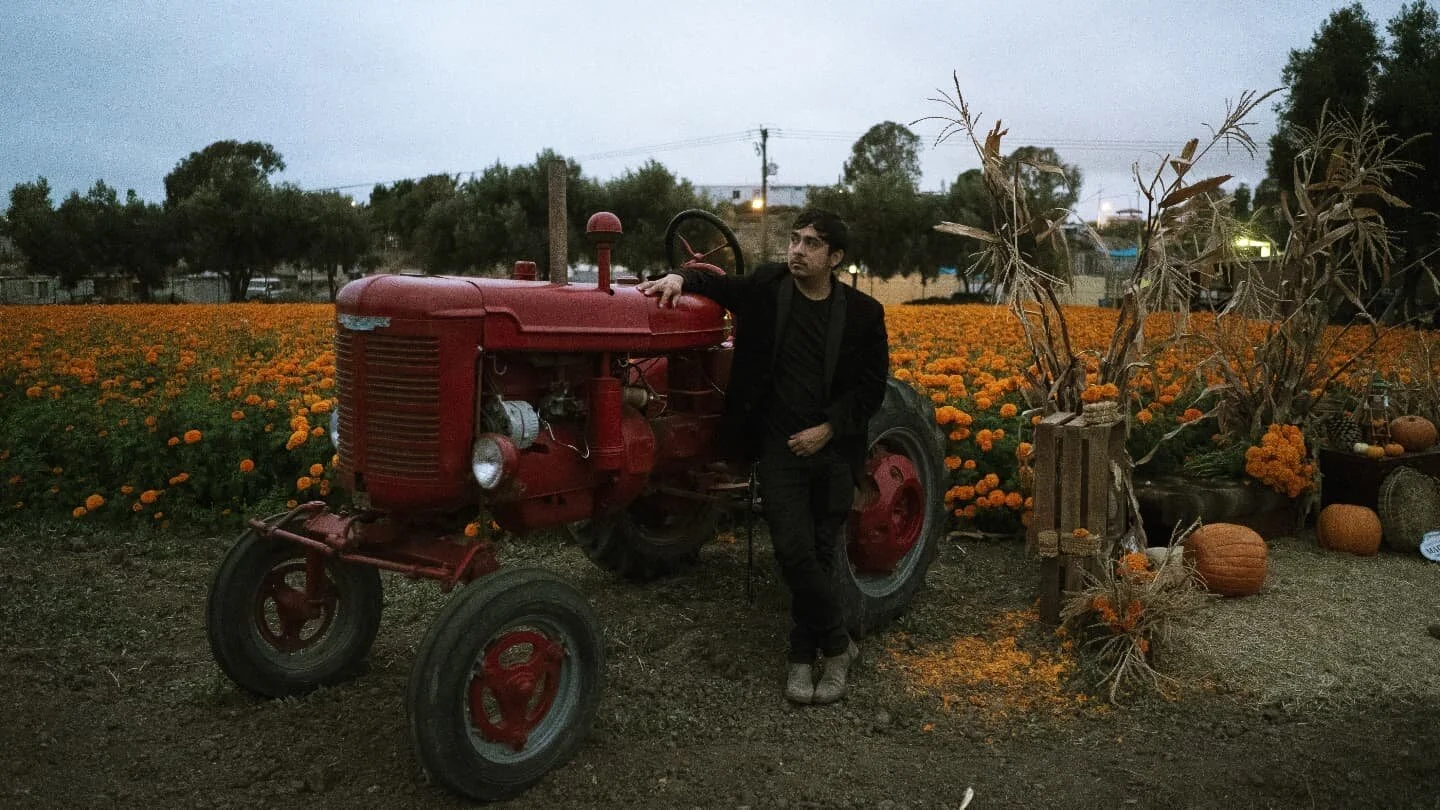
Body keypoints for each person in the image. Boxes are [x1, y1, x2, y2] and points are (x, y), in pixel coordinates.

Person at [637, 209, 889, 704]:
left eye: (811, 244)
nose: (797, 250)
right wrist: (678, 276)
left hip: (832, 446)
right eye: (795, 240)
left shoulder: (863, 315)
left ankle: (803, 654)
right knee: (792, 550)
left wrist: (828, 428)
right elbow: (720, 286)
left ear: (835, 258)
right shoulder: (768, 288)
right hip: (778, 445)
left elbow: (870, 390)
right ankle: (836, 646)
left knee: (818, 550)